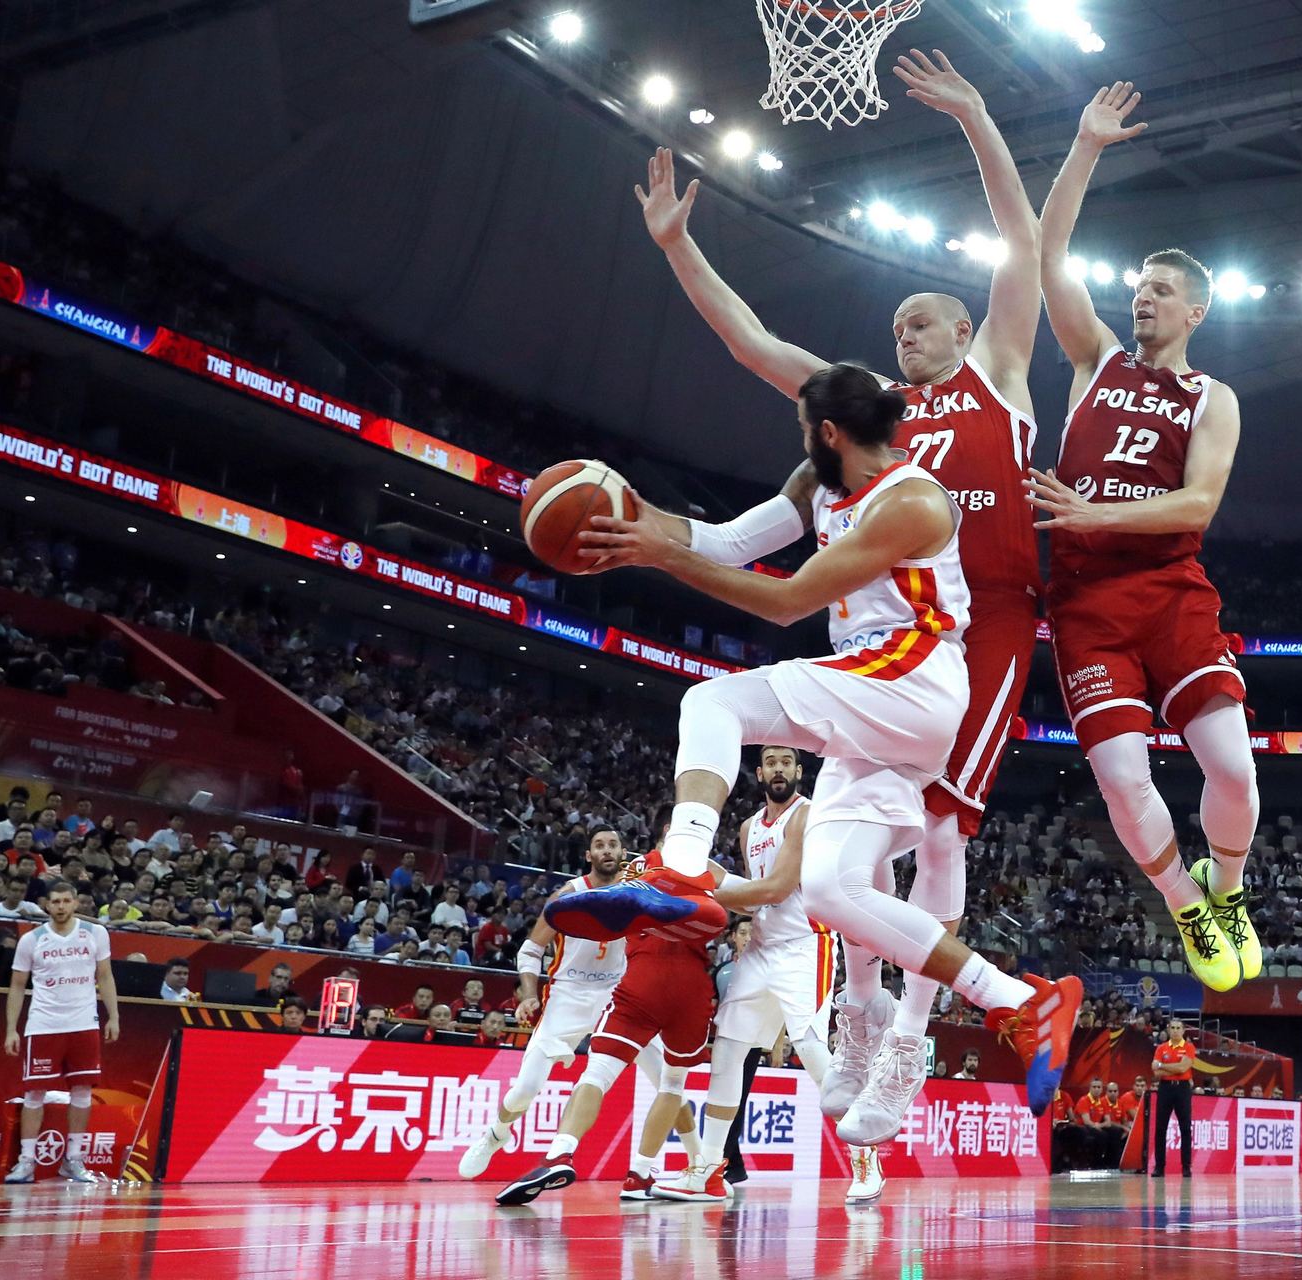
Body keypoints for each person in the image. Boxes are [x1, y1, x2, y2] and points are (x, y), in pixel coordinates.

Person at [637, 49, 1046, 1054]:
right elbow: (752, 342)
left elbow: (1023, 249)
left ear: (962, 329)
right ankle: (991, 998)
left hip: (963, 628)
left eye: (924, 320)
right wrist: (679, 250)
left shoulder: (986, 382)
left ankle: (896, 1032)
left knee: (941, 827)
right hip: (892, 651)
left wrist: (976, 119)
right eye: (894, 324)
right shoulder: (855, 434)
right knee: (829, 884)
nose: (905, 330)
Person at [566, 365, 1083, 1143]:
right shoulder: (820, 477)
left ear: (828, 431)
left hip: (909, 675)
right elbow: (730, 542)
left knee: (713, 701)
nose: (801, 439)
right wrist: (645, 520)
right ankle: (1020, 1001)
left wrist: (657, 557)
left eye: (804, 427)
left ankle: (681, 861)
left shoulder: (910, 500)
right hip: (875, 709)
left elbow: (785, 601)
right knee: (833, 893)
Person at [1026, 81, 1260, 993]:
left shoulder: (1213, 397)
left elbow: (1197, 505)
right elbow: (1048, 256)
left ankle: (1228, 887)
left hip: (1169, 587)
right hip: (1086, 603)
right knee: (1125, 780)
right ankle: (1182, 899)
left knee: (1233, 769)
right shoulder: (1094, 362)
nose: (1142, 301)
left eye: (1159, 292)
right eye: (1138, 289)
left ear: (1195, 309)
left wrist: (1094, 513)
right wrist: (1085, 146)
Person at [653, 746, 881, 1204]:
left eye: (786, 761)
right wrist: (699, 874)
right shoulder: (746, 828)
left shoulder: (806, 815)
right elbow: (750, 896)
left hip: (804, 945)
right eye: (770, 762)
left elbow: (775, 889)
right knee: (727, 1055)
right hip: (759, 948)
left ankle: (865, 1155)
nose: (778, 768)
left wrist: (700, 883)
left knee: (815, 1054)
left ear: (798, 770)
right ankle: (708, 1169)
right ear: (759, 773)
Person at [459, 826, 703, 1204]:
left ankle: (697, 1161)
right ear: (588, 855)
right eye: (599, 846)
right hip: (568, 994)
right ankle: (496, 1134)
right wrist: (527, 994)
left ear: (623, 852)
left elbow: (665, 865)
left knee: (668, 1080)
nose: (607, 850)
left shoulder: (638, 886)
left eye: (613, 845)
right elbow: (529, 950)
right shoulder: (569, 895)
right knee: (524, 1089)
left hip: (620, 993)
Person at [2, 881, 118, 1183]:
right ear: (46, 905)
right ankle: (26, 1161)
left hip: (84, 1024)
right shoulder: (31, 940)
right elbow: (16, 985)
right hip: (43, 1025)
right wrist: (11, 1029)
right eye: (56, 901)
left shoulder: (96, 933)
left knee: (82, 1091)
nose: (61, 906)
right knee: (34, 1091)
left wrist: (113, 1016)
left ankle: (74, 1160)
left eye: (67, 900)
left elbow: (105, 976)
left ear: (76, 902)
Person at [1151, 1018, 1195, 1178]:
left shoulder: (1189, 1047)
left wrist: (1163, 1066)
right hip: (1165, 1089)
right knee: (1161, 1128)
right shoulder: (1161, 1048)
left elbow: (1184, 1067)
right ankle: (1159, 1167)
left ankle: (1186, 1167)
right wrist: (1174, 1069)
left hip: (1182, 1089)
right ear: (1168, 1030)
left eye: (1178, 1028)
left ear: (1183, 1031)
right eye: (1173, 1028)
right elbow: (1155, 1072)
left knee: (1185, 1128)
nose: (1175, 1031)